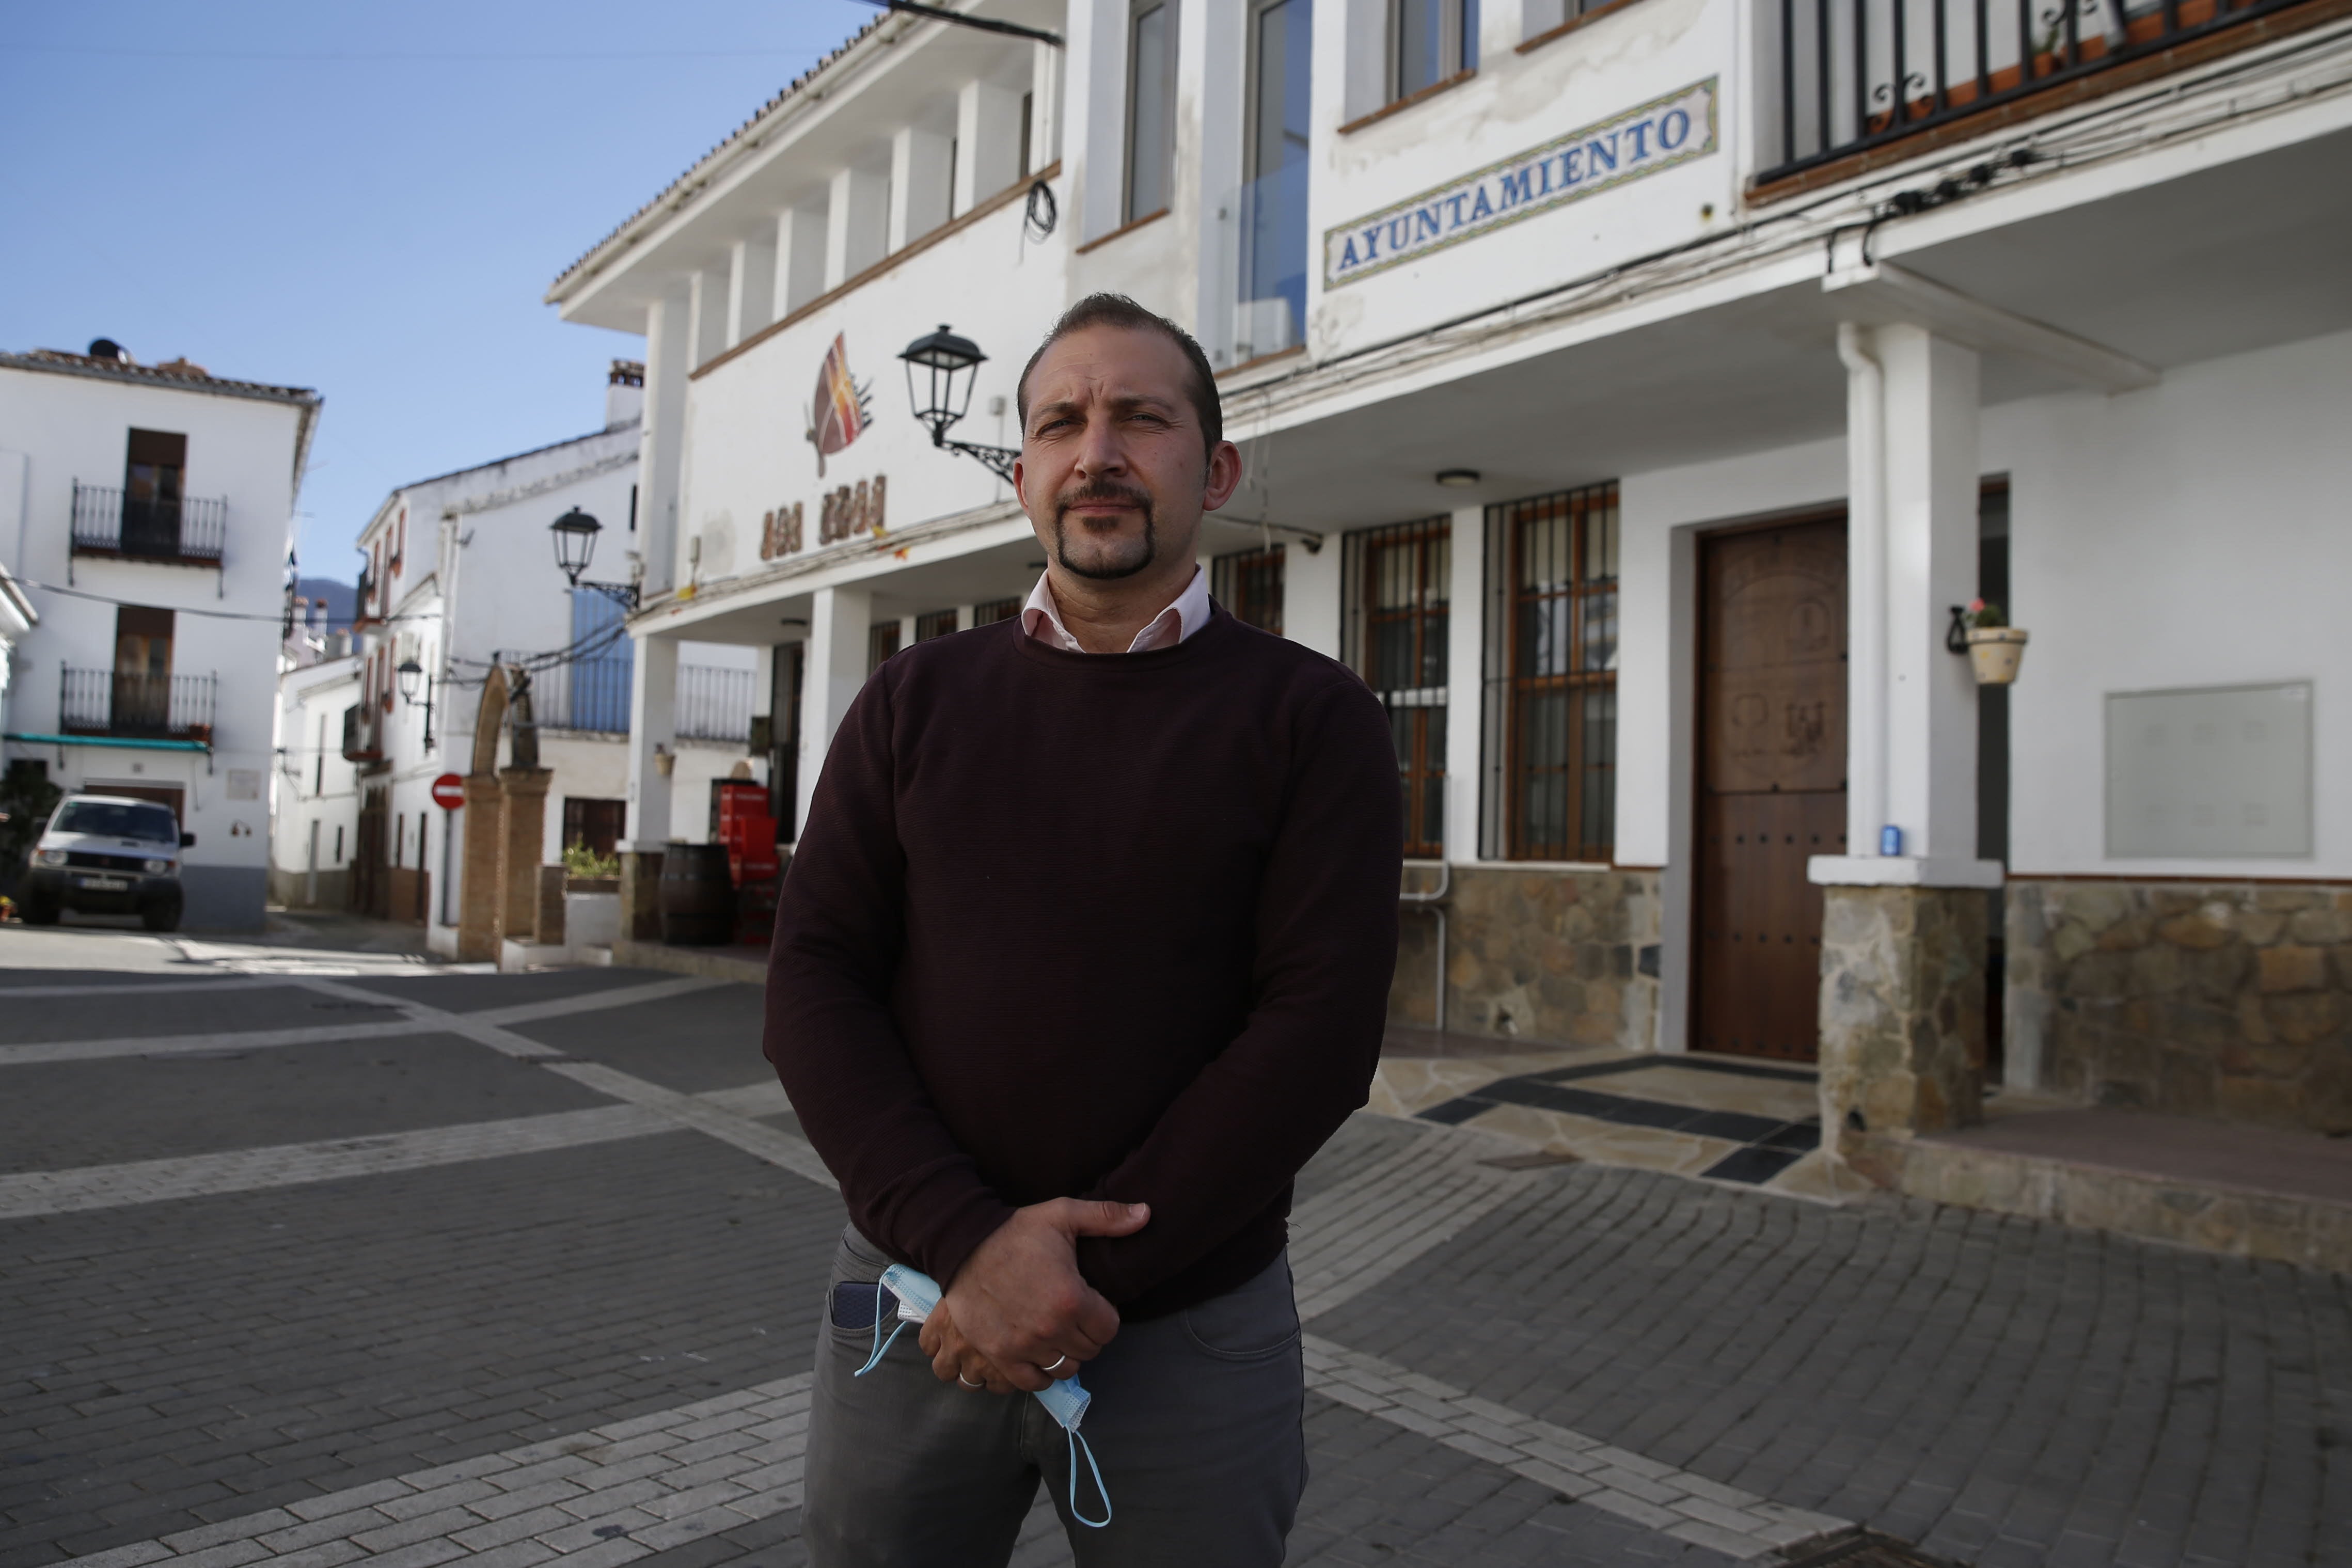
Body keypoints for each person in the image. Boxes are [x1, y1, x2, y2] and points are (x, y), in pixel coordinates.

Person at [765, 293, 1401, 1567]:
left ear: (1213, 468)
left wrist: (1065, 1282)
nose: (1095, 450)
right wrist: (969, 1250)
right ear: (1022, 475)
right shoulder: (912, 702)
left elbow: (1317, 1034)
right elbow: (817, 987)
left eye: (1140, 418)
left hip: (1189, 1331)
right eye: (1059, 421)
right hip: (916, 1309)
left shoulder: (1311, 719)